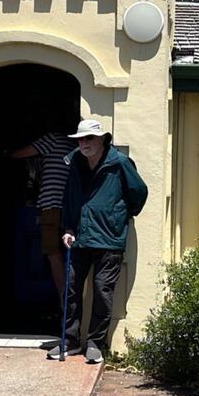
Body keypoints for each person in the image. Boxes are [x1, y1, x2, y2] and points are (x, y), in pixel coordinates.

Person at [51, 118, 148, 364]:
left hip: (109, 238)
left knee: (102, 291)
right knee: (71, 288)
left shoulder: (120, 163)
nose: (84, 143)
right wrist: (69, 227)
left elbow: (139, 192)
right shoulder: (74, 163)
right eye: (81, 139)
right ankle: (70, 340)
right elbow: (69, 198)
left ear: (103, 139)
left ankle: (96, 343)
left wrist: (121, 216)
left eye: (89, 138)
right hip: (81, 237)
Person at [7, 124, 76, 301]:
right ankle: (69, 301)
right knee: (70, 255)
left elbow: (21, 153)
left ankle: (64, 301)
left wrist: (5, 153)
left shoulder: (52, 138)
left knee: (53, 254)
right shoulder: (74, 145)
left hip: (51, 205)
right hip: (69, 206)